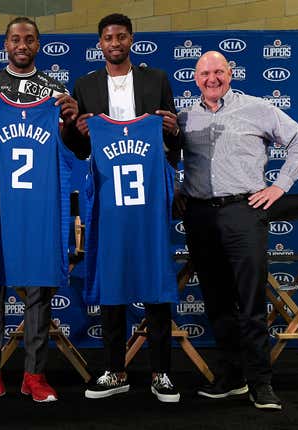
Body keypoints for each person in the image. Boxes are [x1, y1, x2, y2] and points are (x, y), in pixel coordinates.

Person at [177, 51, 298, 411]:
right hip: (200, 215)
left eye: (218, 71)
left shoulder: (257, 108)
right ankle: (232, 378)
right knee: (217, 300)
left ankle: (261, 382)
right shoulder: (184, 117)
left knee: (251, 302)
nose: (212, 79)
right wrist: (176, 191)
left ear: (230, 73)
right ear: (195, 78)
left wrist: (280, 186)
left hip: (244, 211)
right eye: (205, 73)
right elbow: (167, 159)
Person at [0, 16, 78, 404]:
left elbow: (74, 150)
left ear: (38, 44)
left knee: (38, 292)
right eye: (15, 39)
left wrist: (72, 122)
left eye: (28, 39)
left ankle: (34, 374)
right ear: (6, 44)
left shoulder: (56, 91)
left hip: (40, 209)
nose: (21, 44)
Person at [69, 13, 181, 402]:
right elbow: (81, 149)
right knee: (112, 278)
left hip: (147, 195)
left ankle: (162, 371)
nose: (114, 42)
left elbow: (172, 138)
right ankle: (115, 369)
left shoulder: (156, 80)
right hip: (106, 195)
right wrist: (77, 133)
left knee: (155, 275)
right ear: (99, 44)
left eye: (121, 36)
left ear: (131, 39)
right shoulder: (85, 85)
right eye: (107, 37)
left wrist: (173, 130)